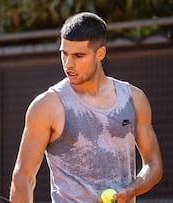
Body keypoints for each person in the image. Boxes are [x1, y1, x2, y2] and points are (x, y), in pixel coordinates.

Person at [9, 12, 163, 203]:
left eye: (78, 56)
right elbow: (23, 177)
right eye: (64, 53)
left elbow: (154, 164)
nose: (68, 63)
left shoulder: (134, 98)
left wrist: (132, 190)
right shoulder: (46, 106)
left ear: (100, 54)